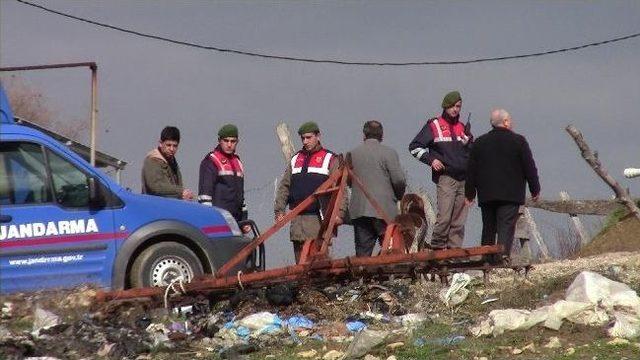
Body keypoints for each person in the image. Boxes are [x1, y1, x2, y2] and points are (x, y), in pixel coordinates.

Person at [464, 109, 540, 264]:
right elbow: (529, 167)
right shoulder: (519, 141)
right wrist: (535, 189)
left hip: (487, 194)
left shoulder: (479, 143)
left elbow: (471, 170)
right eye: (509, 120)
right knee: (506, 226)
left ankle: (486, 259)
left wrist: (469, 194)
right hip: (510, 194)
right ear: (505, 122)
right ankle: (502, 258)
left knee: (489, 227)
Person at [409, 91, 473, 249]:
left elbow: (472, 154)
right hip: (445, 178)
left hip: (464, 180)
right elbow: (414, 147)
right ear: (445, 106)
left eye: (458, 106)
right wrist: (432, 160)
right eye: (452, 106)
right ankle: (438, 248)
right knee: (444, 217)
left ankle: (454, 252)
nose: (455, 109)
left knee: (459, 221)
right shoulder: (434, 125)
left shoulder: (463, 128)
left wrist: (468, 143)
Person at [274, 121, 341, 263]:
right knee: (300, 261)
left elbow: (341, 190)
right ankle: (302, 285)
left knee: (318, 261)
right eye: (303, 138)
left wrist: (339, 213)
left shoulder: (330, 159)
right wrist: (279, 210)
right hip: (297, 219)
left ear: (318, 136)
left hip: (318, 219)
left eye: (309, 137)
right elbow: (284, 186)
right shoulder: (295, 159)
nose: (305, 141)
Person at [348, 120, 406, 256]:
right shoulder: (389, 153)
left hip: (360, 211)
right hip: (384, 211)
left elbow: (349, 182)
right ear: (382, 136)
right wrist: (398, 196)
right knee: (391, 252)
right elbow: (399, 180)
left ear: (364, 135)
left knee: (363, 255)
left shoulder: (352, 154)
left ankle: (363, 277)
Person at [198, 124, 250, 232]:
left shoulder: (238, 162)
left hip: (236, 222)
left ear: (237, 142)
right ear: (219, 140)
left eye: (233, 141)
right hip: (218, 222)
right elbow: (204, 197)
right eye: (226, 141)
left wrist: (245, 219)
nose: (229, 144)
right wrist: (210, 220)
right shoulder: (211, 161)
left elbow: (241, 196)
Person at [141, 126, 193, 200]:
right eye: (168, 145)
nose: (171, 149)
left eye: (175, 146)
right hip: (155, 206)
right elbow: (156, 186)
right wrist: (181, 192)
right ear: (160, 143)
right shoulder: (152, 161)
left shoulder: (171, 162)